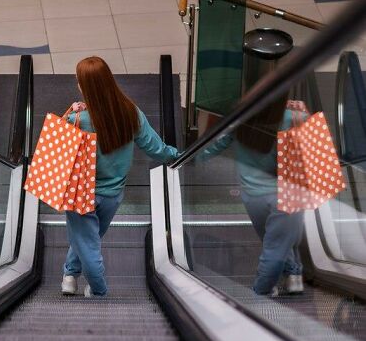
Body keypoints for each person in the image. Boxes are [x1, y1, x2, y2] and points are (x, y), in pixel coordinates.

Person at [61, 57, 179, 297]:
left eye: (79, 81)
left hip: (80, 193)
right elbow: (156, 148)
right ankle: (70, 274)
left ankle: (98, 290)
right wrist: (179, 157)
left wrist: (71, 114)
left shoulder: (78, 120)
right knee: (87, 238)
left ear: (87, 87)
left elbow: (58, 147)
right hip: (112, 195)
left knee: (88, 244)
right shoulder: (129, 112)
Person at [202, 100, 305, 296]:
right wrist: (303, 112)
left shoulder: (240, 118)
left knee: (273, 240)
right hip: (289, 193)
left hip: (254, 196)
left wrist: (187, 157)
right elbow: (314, 143)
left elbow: (216, 144)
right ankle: (262, 292)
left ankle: (292, 276)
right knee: (277, 243)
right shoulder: (292, 116)